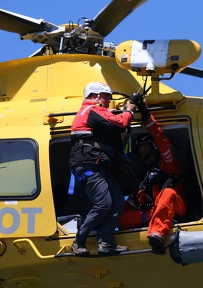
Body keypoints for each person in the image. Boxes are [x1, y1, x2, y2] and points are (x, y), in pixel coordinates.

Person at [69, 81, 137, 256]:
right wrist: (129, 110)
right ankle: (79, 241)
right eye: (105, 96)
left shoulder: (97, 113)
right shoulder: (92, 110)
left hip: (100, 166)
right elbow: (120, 122)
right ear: (94, 97)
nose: (108, 100)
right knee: (104, 203)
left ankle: (106, 242)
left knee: (118, 201)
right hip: (90, 165)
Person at [117, 99, 187, 254]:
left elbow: (161, 139)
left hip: (175, 206)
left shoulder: (167, 164)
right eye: (141, 153)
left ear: (154, 149)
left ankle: (158, 235)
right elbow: (131, 204)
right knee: (120, 216)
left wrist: (147, 116)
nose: (144, 154)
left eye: (146, 149)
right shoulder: (142, 178)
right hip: (152, 213)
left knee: (168, 193)